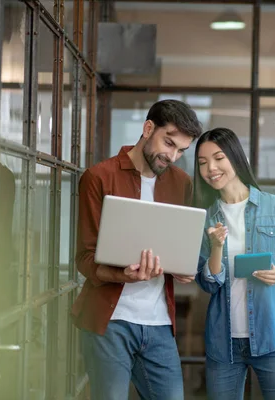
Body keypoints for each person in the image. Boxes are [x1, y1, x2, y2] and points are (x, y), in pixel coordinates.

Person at [71, 99, 203, 400]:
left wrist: (183, 266)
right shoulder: (99, 177)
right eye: (168, 143)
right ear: (147, 129)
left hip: (159, 324)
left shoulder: (182, 183)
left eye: (181, 150)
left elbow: (178, 243)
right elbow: (84, 259)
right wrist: (123, 276)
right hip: (110, 322)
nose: (172, 156)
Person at [193, 127, 275, 400]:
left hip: (274, 336)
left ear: (234, 157)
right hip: (224, 344)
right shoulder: (205, 219)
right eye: (202, 162)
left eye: (218, 158)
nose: (211, 168)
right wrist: (217, 248)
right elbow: (208, 284)